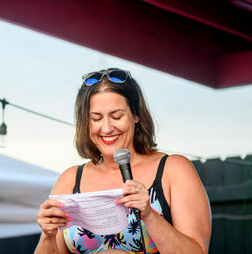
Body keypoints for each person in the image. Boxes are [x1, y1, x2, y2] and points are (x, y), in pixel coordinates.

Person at [35, 68, 211, 253]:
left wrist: (149, 215)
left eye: (116, 116)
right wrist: (48, 235)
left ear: (136, 115)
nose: (107, 128)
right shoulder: (70, 179)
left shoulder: (173, 169)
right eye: (96, 118)